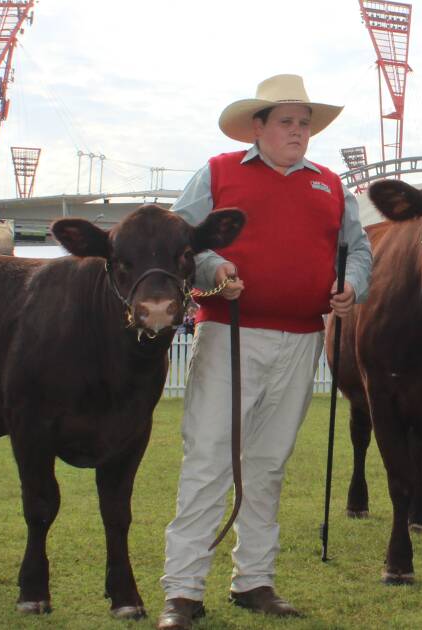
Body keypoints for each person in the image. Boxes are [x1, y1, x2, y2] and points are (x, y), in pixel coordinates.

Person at [156, 74, 372, 630]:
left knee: (269, 464)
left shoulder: (330, 185)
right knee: (209, 459)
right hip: (229, 330)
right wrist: (213, 268)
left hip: (303, 339)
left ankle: (254, 580)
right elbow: (181, 240)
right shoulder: (218, 172)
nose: (298, 131)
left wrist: (351, 285)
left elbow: (358, 251)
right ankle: (182, 592)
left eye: (304, 123)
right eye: (286, 122)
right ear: (259, 127)